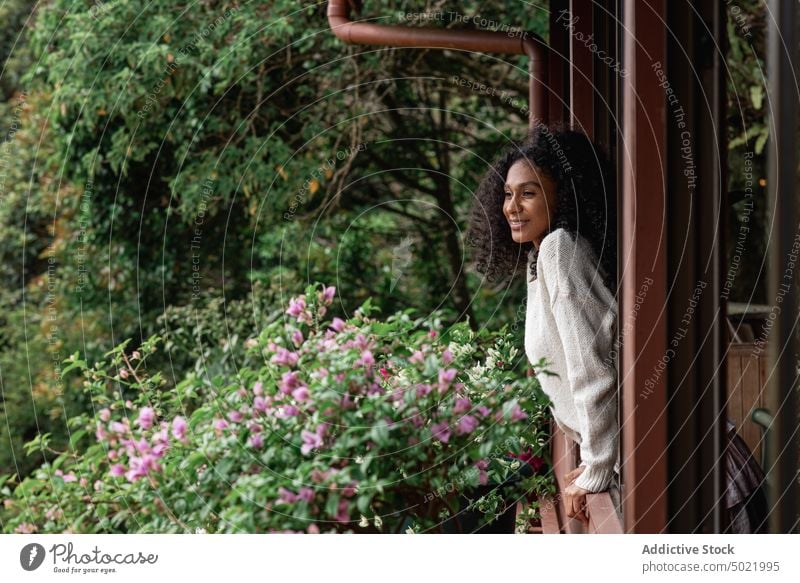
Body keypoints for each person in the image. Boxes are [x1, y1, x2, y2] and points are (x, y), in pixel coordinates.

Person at [468, 125, 620, 525]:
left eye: (528, 193)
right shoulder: (542, 256)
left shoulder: (558, 250)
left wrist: (598, 467)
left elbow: (592, 368)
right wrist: (593, 460)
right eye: (507, 194)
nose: (512, 206)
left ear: (563, 195)